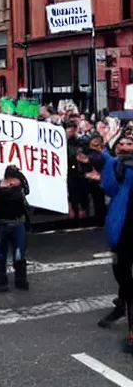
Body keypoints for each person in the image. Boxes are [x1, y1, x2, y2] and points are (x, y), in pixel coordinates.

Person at [91, 136, 133, 339]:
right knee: (120, 270)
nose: (125, 147)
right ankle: (123, 300)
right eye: (121, 144)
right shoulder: (114, 165)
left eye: (129, 143)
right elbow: (108, 187)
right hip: (122, 226)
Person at [0, 165, 30, 293]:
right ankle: (20, 279)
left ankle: (3, 281)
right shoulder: (17, 191)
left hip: (4, 224)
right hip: (16, 224)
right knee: (18, 252)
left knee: (2, 252)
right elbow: (26, 189)